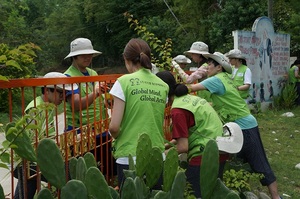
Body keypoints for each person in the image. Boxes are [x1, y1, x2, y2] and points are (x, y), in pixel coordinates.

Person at [185, 52, 281, 199]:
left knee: (259, 162)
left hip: (244, 126)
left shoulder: (216, 80)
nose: (207, 67)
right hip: (237, 125)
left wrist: (178, 84)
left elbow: (189, 88)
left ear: (219, 68)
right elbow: (219, 102)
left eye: (210, 64)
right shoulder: (225, 79)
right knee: (236, 161)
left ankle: (275, 197)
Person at [156, 71, 243, 198]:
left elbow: (183, 147)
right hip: (219, 149)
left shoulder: (178, 111)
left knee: (194, 192)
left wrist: (159, 156)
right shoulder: (190, 99)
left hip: (203, 155)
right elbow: (188, 134)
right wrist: (164, 146)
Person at [108, 38, 169, 189]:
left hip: (129, 156)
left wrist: (116, 137)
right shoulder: (163, 85)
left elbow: (114, 127)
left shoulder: (123, 82)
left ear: (126, 59)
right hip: (157, 155)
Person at [14, 72, 78, 199]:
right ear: (47, 90)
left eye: (65, 93)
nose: (63, 97)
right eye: (60, 92)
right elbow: (34, 142)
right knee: (67, 175)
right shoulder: (36, 109)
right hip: (29, 162)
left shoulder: (46, 106)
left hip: (36, 160)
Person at [64, 37, 114, 175]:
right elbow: (75, 104)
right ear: (74, 56)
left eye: (90, 54)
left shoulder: (93, 73)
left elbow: (100, 99)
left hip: (100, 129)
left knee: (107, 169)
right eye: (83, 54)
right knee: (82, 173)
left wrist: (108, 101)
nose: (88, 57)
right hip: (79, 132)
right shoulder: (68, 77)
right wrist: (97, 93)